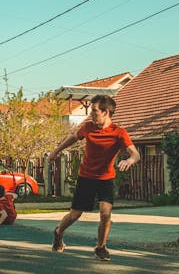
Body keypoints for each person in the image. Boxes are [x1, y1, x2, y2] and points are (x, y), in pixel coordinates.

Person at [48, 95, 140, 261]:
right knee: (75, 214)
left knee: (105, 214)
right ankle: (58, 232)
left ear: (105, 112)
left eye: (94, 111)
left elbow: (135, 154)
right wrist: (56, 150)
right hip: (86, 177)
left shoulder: (119, 133)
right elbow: (73, 138)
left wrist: (129, 160)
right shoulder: (88, 127)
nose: (91, 114)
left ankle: (101, 247)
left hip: (106, 179)